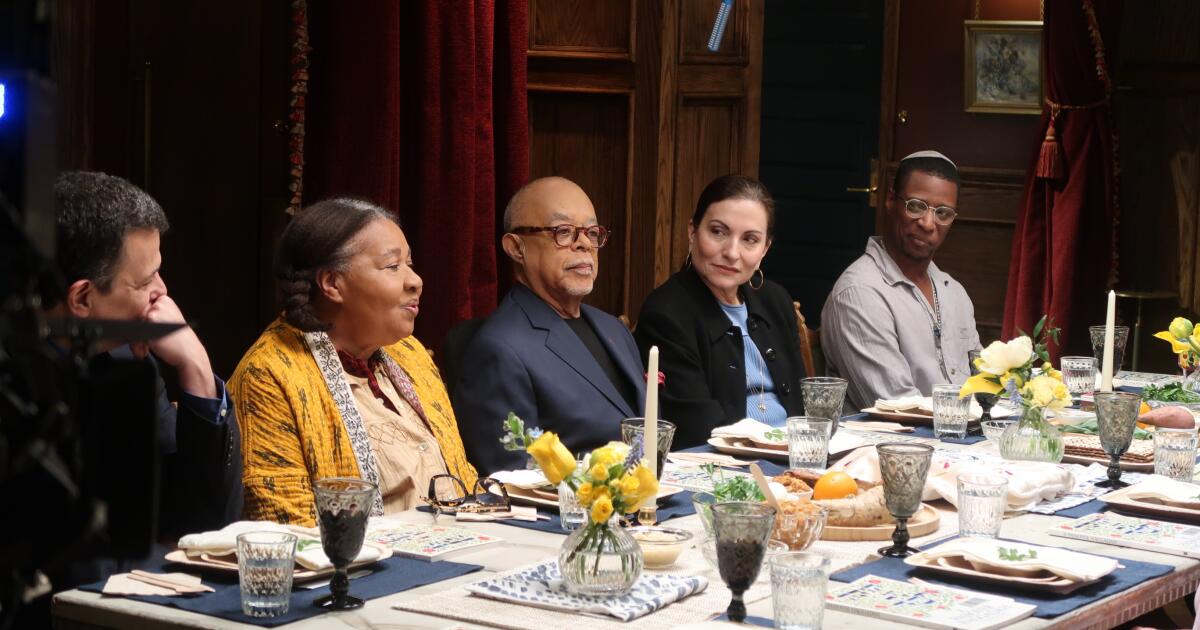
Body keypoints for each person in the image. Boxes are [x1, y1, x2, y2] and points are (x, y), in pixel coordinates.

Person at [229, 198, 477, 525]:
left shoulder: (410, 353)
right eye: (393, 266)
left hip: (463, 542)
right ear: (332, 283)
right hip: (368, 556)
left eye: (409, 263)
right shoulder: (268, 374)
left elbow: (461, 476)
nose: (415, 280)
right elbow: (289, 524)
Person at [54, 171, 243, 539]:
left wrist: (197, 369)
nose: (163, 291)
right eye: (145, 281)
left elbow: (204, 524)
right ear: (82, 298)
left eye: (159, 272)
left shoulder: (127, 358)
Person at [454, 177, 645, 475]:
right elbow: (514, 479)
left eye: (592, 233)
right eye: (563, 232)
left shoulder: (613, 328)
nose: (584, 244)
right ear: (516, 247)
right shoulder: (498, 350)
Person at [635, 175, 806, 447]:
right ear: (692, 231)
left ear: (765, 249)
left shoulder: (775, 301)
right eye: (718, 232)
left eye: (750, 239)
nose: (732, 252)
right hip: (728, 463)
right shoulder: (666, 315)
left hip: (797, 455)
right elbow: (699, 431)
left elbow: (803, 407)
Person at [821, 151, 981, 410]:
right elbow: (897, 408)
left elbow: (984, 384)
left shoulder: (954, 292)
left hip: (961, 430)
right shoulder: (860, 292)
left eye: (943, 213)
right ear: (890, 200)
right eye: (916, 206)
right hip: (896, 435)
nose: (928, 224)